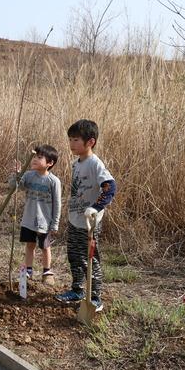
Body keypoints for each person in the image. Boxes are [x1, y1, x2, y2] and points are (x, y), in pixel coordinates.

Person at [55, 119, 117, 312]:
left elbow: (110, 187)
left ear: (90, 142)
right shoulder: (77, 164)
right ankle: (77, 290)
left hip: (89, 223)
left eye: (75, 140)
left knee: (90, 259)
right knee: (74, 255)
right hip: (75, 218)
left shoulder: (95, 164)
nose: (71, 144)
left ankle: (96, 296)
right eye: (70, 140)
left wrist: (96, 207)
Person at [9, 144, 61, 284]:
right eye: (34, 157)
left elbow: (57, 204)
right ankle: (29, 270)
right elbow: (15, 186)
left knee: (45, 246)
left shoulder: (53, 181)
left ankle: (47, 271)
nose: (34, 160)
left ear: (49, 163)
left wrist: (55, 223)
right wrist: (17, 174)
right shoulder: (28, 176)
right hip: (28, 218)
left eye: (39, 157)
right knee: (30, 245)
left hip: (44, 221)